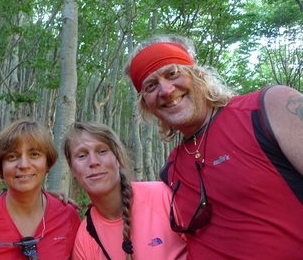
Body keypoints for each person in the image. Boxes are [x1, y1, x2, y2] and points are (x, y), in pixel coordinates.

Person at [124, 34, 303, 259]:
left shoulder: (269, 107)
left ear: (198, 75)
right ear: (147, 106)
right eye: (150, 86)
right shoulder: (172, 168)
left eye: (172, 73)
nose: (166, 90)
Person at [63, 121, 187, 260]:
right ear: (72, 168)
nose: (93, 162)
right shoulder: (85, 237)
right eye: (81, 155)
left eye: (102, 151)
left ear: (119, 158)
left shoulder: (162, 197)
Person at [0, 119, 81, 259]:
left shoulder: (68, 217)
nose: (24, 165)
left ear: (47, 163)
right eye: (12, 156)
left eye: (34, 154)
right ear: (1, 166)